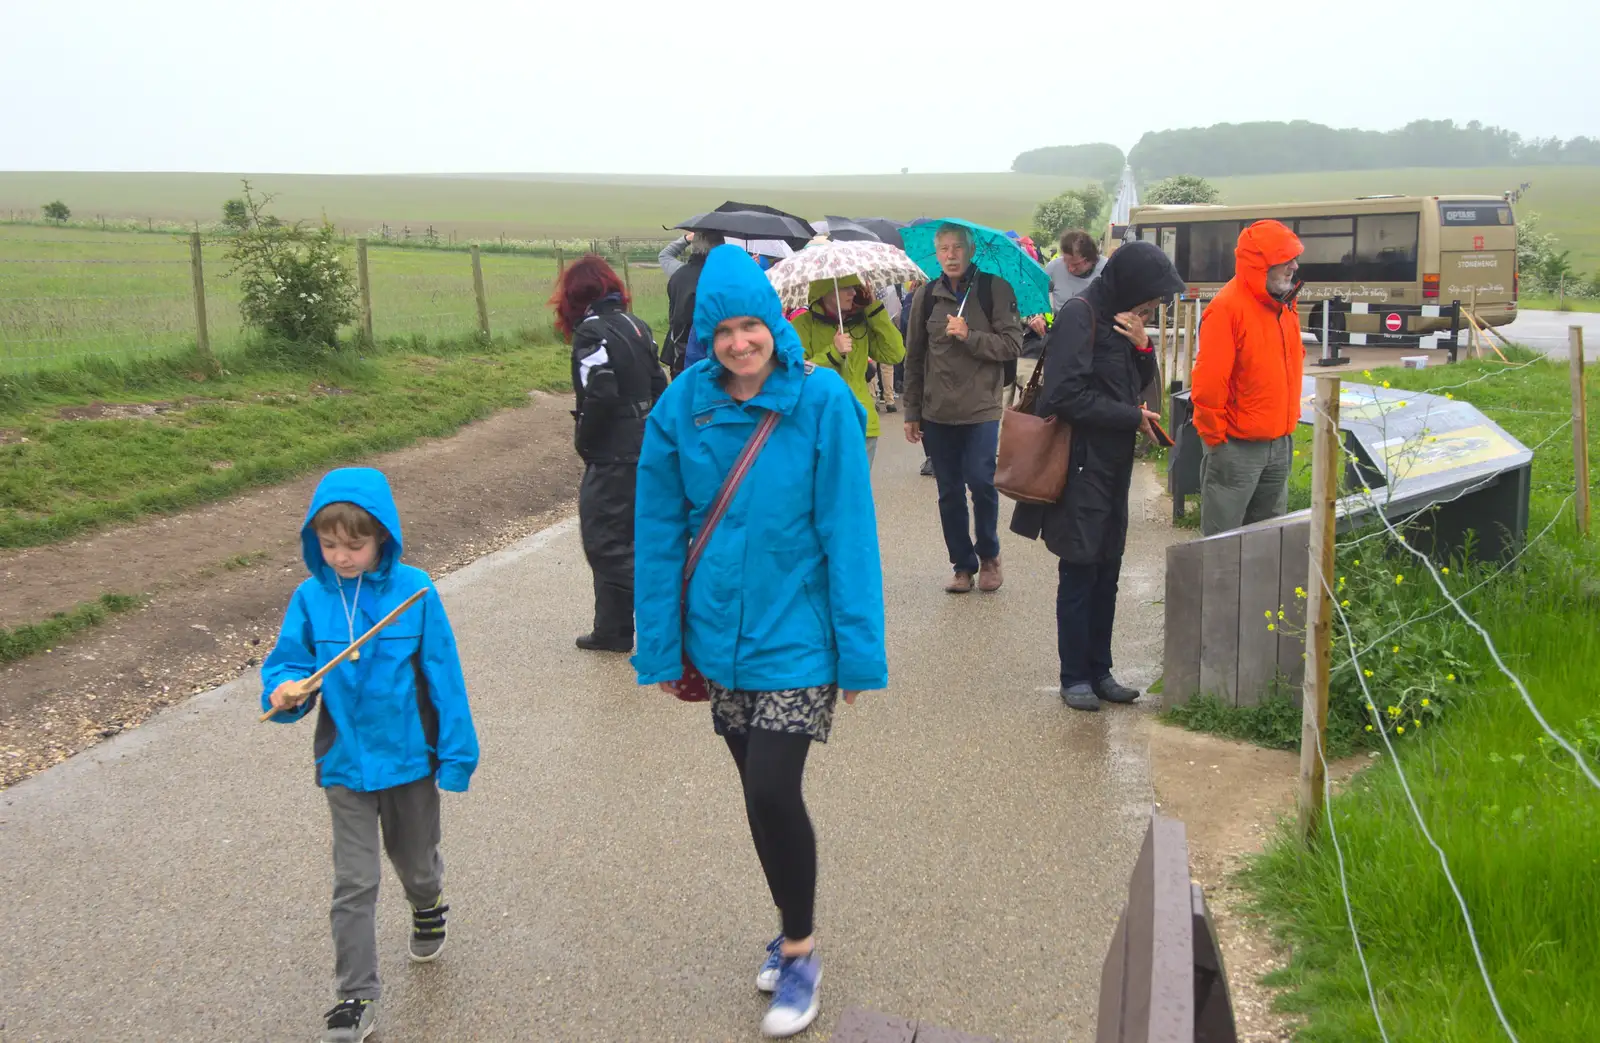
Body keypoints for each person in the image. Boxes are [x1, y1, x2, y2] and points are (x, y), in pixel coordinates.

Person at [633, 245, 887, 1039]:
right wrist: (661, 643)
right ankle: (789, 922)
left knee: (774, 788)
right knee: (757, 795)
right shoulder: (680, 408)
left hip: (800, 636)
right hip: (720, 637)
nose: (740, 344)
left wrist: (859, 650)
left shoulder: (822, 403)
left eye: (752, 327)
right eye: (724, 332)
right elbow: (658, 531)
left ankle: (802, 951)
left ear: (776, 324)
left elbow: (849, 533)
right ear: (704, 337)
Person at [261, 467, 479, 1043]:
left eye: (354, 544)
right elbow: (289, 665)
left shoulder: (416, 592)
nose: (341, 556)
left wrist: (456, 757)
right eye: (328, 544)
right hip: (345, 766)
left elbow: (445, 678)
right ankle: (355, 996)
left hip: (411, 762)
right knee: (353, 882)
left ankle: (428, 903)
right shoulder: (309, 598)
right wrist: (285, 692)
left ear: (383, 535)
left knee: (415, 863)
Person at [1011, 242, 1185, 712]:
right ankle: (1074, 677)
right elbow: (1064, 396)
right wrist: (1130, 418)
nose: (1151, 307)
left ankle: (1101, 670)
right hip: (1079, 464)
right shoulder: (1079, 316)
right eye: (1150, 298)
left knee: (1108, 568)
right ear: (1130, 285)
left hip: (1113, 466)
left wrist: (1143, 346)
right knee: (1080, 570)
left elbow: (1138, 385)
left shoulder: (1125, 321)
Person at [551, 254, 668, 652]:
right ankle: (613, 630)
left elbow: (600, 390)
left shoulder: (591, 332)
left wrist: (585, 440)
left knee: (605, 544)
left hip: (614, 454)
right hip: (644, 446)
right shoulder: (637, 325)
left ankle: (678, 606)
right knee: (626, 538)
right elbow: (659, 384)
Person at [902, 223, 1025, 593]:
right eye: (944, 249)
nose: (951, 255)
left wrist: (970, 336)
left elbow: (1012, 345)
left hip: (981, 409)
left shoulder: (993, 290)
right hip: (937, 412)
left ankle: (989, 556)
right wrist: (911, 412)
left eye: (957, 247)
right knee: (949, 492)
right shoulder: (925, 296)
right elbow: (915, 358)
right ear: (936, 255)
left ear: (971, 251)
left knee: (981, 483)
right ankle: (962, 565)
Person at [1191, 220, 1306, 536]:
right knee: (1222, 541)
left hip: (1279, 442)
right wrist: (1217, 440)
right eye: (1285, 260)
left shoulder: (1284, 304)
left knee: (1268, 539)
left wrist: (1285, 427)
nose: (1294, 267)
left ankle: (1260, 589)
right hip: (1236, 448)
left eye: (1294, 258)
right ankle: (1217, 588)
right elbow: (1209, 382)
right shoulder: (1226, 309)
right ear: (1261, 264)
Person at [790, 275, 906, 466]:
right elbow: (796, 375)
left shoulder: (860, 321)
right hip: (820, 426)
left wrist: (874, 309)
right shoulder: (802, 325)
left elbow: (895, 354)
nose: (853, 292)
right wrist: (833, 354)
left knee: (856, 494)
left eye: (854, 287)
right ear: (825, 290)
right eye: (846, 288)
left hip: (862, 424)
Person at [664, 231, 724, 375]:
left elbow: (664, 255)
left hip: (677, 353)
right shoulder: (720, 277)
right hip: (709, 355)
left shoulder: (678, 272)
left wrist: (685, 239)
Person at [1045, 229, 1109, 311]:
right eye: (1066, 261)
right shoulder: (1054, 266)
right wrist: (1038, 315)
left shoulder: (1107, 268)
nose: (1070, 269)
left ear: (1090, 259)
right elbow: (1035, 291)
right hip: (1062, 320)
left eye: (1076, 264)